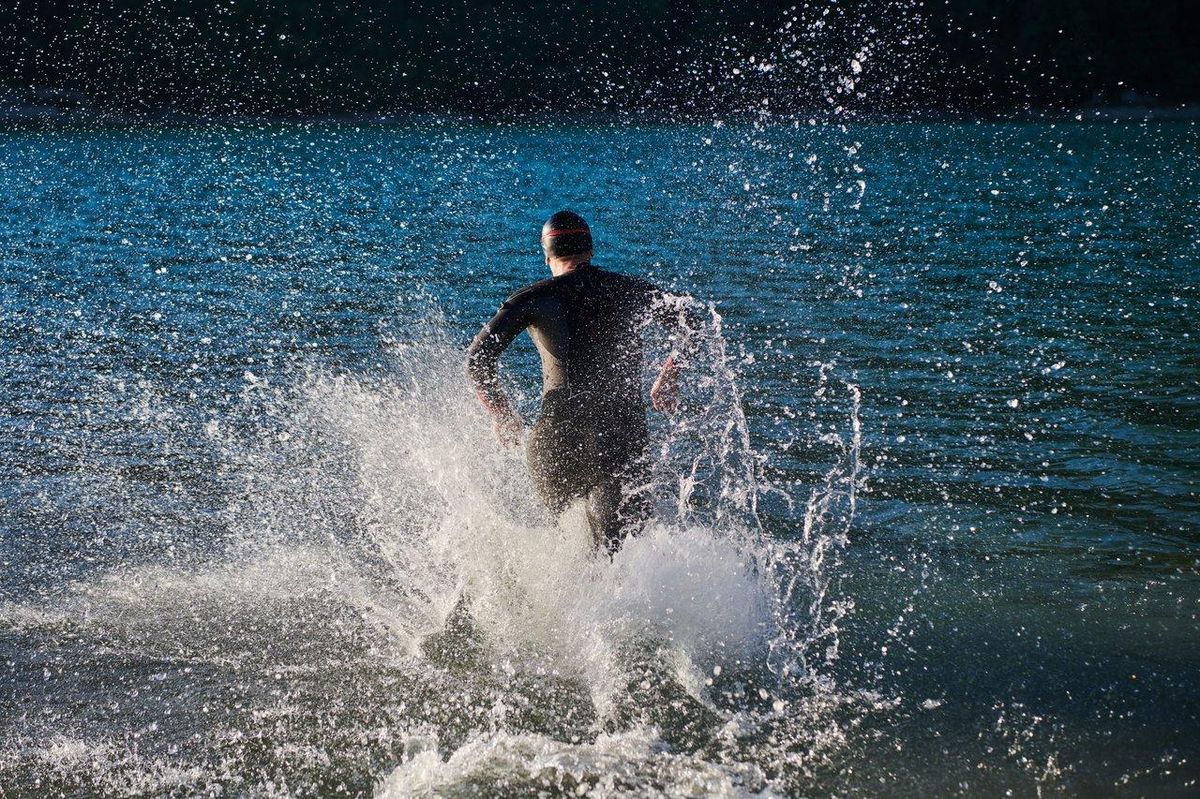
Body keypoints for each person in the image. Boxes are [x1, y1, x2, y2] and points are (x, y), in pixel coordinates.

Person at [466, 210, 699, 555]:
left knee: (568, 554)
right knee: (618, 559)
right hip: (619, 438)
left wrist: (503, 415)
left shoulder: (532, 298)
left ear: (547, 257)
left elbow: (477, 359)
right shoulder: (632, 290)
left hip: (554, 441)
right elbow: (692, 325)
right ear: (590, 251)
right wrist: (668, 376)